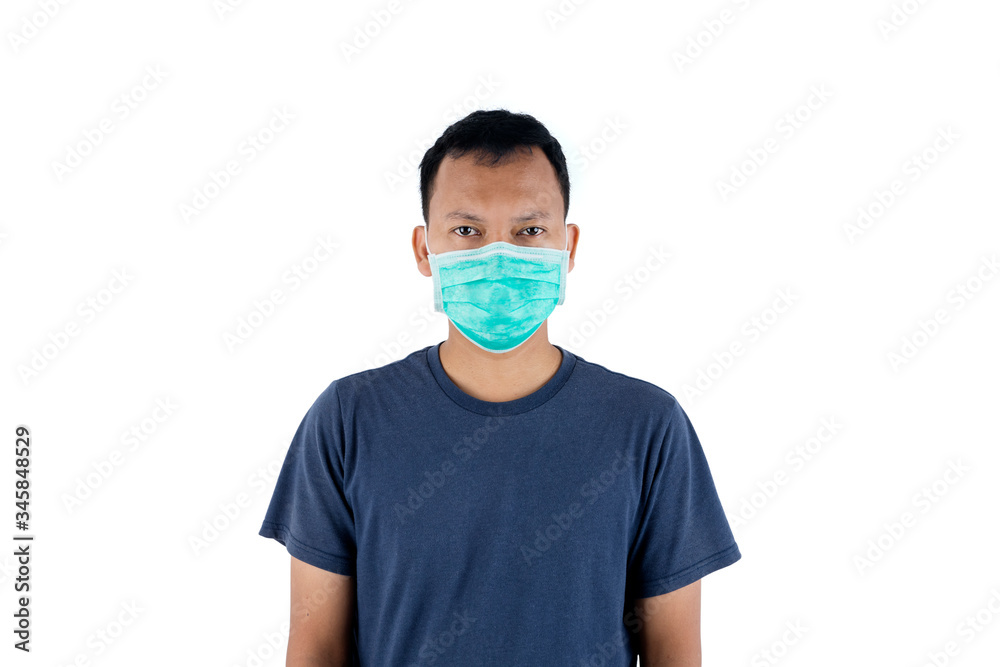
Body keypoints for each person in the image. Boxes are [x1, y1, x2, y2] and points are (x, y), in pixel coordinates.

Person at [258, 108, 741, 666]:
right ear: (424, 249)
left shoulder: (648, 426)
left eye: (529, 231)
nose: (498, 257)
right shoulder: (348, 420)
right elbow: (316, 648)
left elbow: (675, 652)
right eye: (467, 231)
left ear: (569, 248)